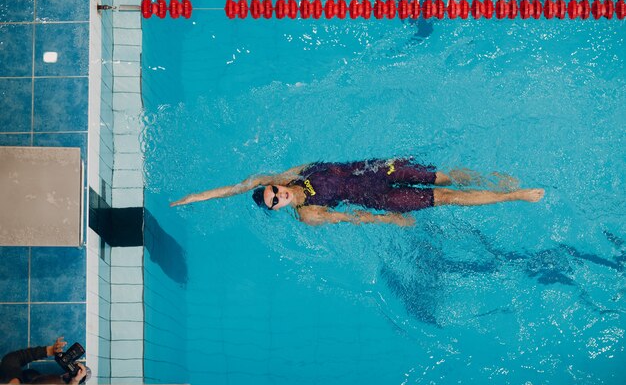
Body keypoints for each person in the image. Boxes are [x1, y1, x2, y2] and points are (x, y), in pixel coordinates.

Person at [170, 158, 544, 226]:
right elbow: (350, 217)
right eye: (273, 203)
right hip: (379, 198)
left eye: (273, 191)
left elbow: (237, 187)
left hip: (379, 168)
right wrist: (389, 221)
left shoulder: (292, 174)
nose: (277, 196)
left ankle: (491, 180)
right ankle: (515, 196)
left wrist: (193, 197)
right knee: (443, 199)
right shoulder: (309, 214)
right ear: (278, 208)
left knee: (443, 178)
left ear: (275, 184)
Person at [0, 337, 88, 385]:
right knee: (31, 375)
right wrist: (75, 381)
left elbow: (12, 359)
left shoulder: (12, 382)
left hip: (20, 379)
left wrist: (49, 351)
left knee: (30, 374)